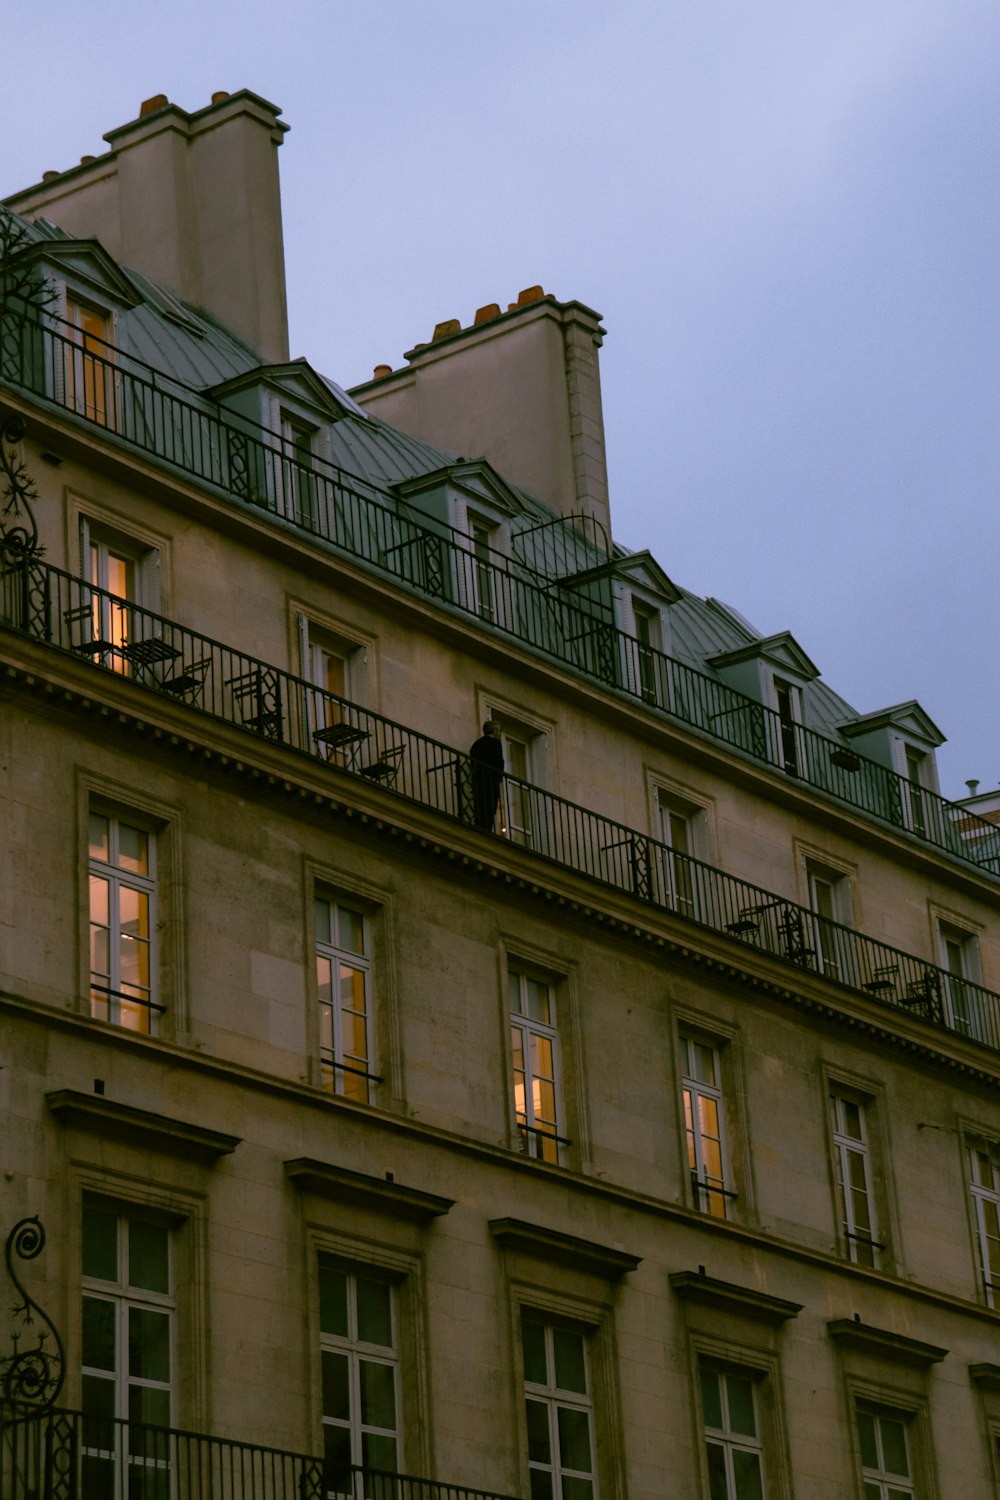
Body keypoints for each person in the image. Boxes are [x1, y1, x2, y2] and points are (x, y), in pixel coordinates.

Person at [468, 720, 504, 831]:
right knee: (490, 807)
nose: (499, 733)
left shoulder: (476, 745)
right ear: (494, 730)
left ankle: (480, 827)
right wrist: (499, 777)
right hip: (491, 781)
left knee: (480, 807)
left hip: (478, 781)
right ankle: (486, 829)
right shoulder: (495, 743)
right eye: (498, 730)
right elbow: (499, 763)